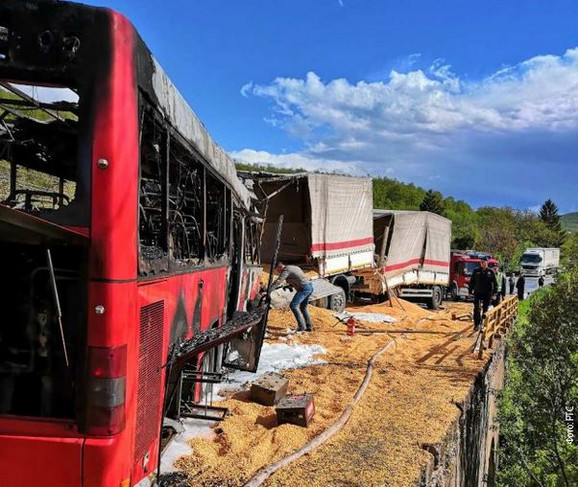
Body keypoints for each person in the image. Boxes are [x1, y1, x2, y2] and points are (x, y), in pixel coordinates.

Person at [272, 262, 314, 332]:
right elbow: (298, 277)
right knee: (303, 307)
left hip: (304, 289)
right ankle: (308, 325)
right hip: (309, 287)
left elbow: (279, 281)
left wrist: (270, 290)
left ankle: (302, 326)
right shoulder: (293, 267)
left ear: (280, 267)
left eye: (277, 270)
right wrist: (290, 285)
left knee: (293, 305)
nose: (278, 272)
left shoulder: (286, 270)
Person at [468, 256, 498, 331]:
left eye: (484, 262)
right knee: (477, 309)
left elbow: (495, 284)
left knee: (485, 309)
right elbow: (472, 282)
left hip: (487, 294)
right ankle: (476, 324)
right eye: (481, 262)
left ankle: (483, 323)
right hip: (477, 293)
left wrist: (494, 294)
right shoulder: (476, 271)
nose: (482, 263)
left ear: (487, 262)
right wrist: (470, 292)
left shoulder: (490, 272)